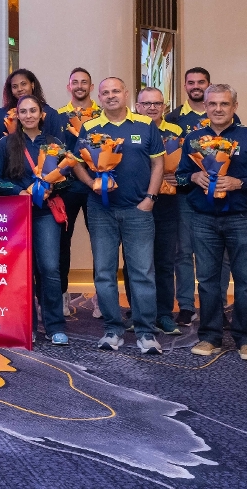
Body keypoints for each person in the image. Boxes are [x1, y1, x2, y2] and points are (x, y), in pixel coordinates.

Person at [178, 84, 247, 362]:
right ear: (205, 107)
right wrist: (193, 177)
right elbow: (180, 176)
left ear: (235, 106)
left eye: (224, 104)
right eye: (212, 104)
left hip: (241, 219)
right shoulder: (193, 139)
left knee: (246, 282)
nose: (218, 109)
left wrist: (239, 183)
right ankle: (210, 336)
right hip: (203, 219)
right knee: (208, 281)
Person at [73, 78, 164, 354]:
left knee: (142, 273)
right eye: (105, 92)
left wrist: (150, 199)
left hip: (138, 210)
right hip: (101, 211)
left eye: (116, 91)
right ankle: (112, 329)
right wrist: (91, 183)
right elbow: (76, 163)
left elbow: (158, 163)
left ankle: (146, 332)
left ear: (126, 94)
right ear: (99, 97)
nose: (111, 96)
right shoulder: (90, 127)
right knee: (104, 272)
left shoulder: (145, 125)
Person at [0, 94, 70, 346]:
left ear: (41, 114)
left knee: (50, 268)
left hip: (46, 212)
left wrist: (52, 187)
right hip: (17, 214)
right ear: (17, 115)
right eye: (23, 111)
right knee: (22, 270)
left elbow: (67, 177)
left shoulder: (54, 143)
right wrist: (19, 191)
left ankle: (54, 325)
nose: (28, 115)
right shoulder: (5, 143)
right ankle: (27, 324)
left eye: (33, 110)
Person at [164, 66, 239, 326]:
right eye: (191, 82)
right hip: (185, 194)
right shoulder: (173, 118)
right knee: (183, 251)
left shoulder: (227, 116)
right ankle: (186, 305)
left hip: (220, 194)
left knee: (221, 254)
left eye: (201, 82)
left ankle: (218, 305)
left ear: (208, 85)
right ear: (185, 86)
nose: (196, 86)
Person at [135, 87, 185, 335]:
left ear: (164, 107)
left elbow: (189, 165)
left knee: (165, 261)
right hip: (136, 203)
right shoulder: (131, 129)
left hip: (167, 205)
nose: (152, 108)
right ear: (137, 107)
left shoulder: (176, 132)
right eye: (146, 104)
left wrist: (179, 177)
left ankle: (164, 313)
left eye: (157, 103)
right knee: (136, 263)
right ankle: (138, 313)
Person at [55, 67, 99, 315]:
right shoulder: (57, 116)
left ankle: (102, 297)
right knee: (62, 242)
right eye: (75, 82)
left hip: (97, 187)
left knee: (102, 243)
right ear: (68, 87)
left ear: (91, 87)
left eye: (84, 82)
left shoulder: (102, 115)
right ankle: (62, 294)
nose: (79, 86)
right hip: (67, 186)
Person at [0, 69, 64, 143]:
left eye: (23, 84)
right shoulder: (1, 115)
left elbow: (59, 145)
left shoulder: (50, 114)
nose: (19, 89)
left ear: (32, 85)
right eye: (15, 86)